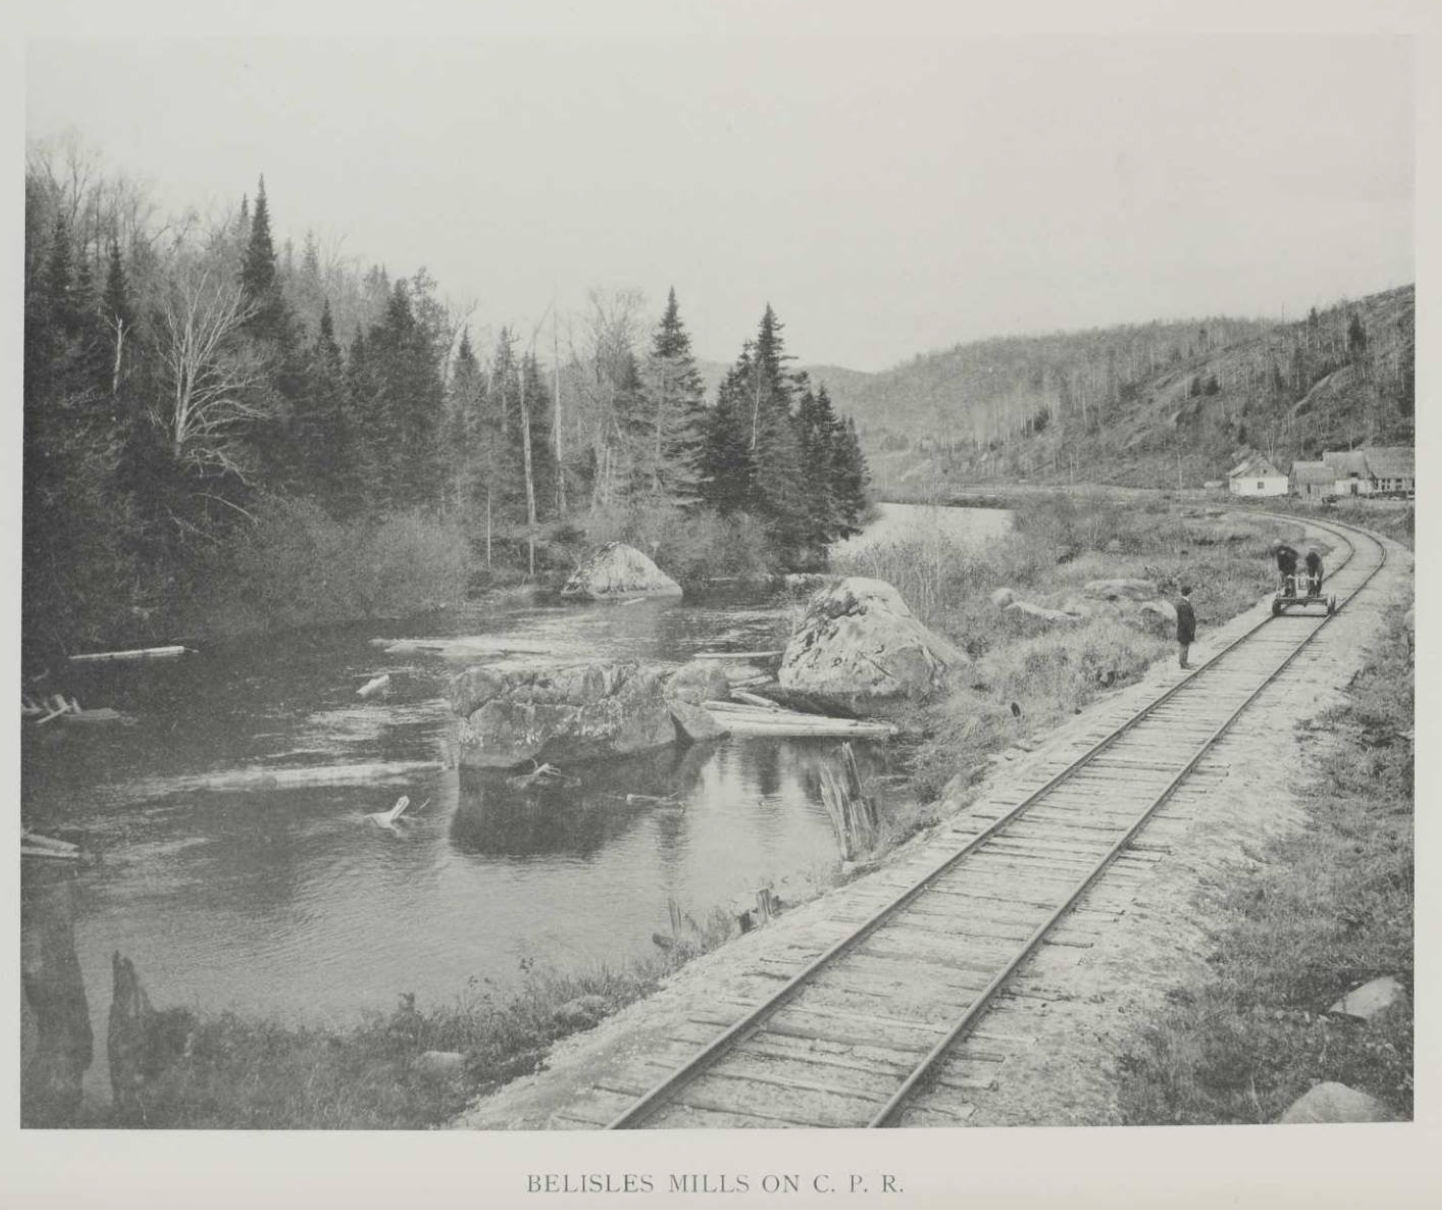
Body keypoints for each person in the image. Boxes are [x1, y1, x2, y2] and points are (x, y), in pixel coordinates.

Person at [1176, 584, 1196, 670]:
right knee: (1184, 645)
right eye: (1191, 592)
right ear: (1189, 593)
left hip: (1183, 628)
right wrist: (1190, 629)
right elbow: (1185, 619)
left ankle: (1184, 662)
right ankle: (1183, 663)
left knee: (1185, 645)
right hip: (1184, 629)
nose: (1192, 594)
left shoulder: (1183, 602)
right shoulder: (1183, 604)